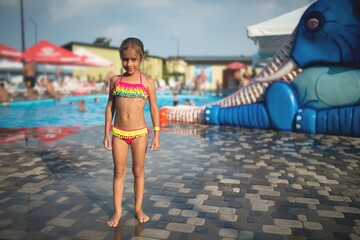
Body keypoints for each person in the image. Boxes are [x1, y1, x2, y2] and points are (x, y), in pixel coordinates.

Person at [103, 37, 160, 227]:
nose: (129, 64)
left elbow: (153, 109)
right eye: (125, 59)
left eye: (134, 59)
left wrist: (157, 134)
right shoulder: (115, 81)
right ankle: (117, 211)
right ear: (121, 58)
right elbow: (110, 107)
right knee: (118, 172)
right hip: (118, 133)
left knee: (138, 171)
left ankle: (137, 208)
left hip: (140, 134)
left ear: (141, 58)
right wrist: (106, 133)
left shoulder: (148, 82)